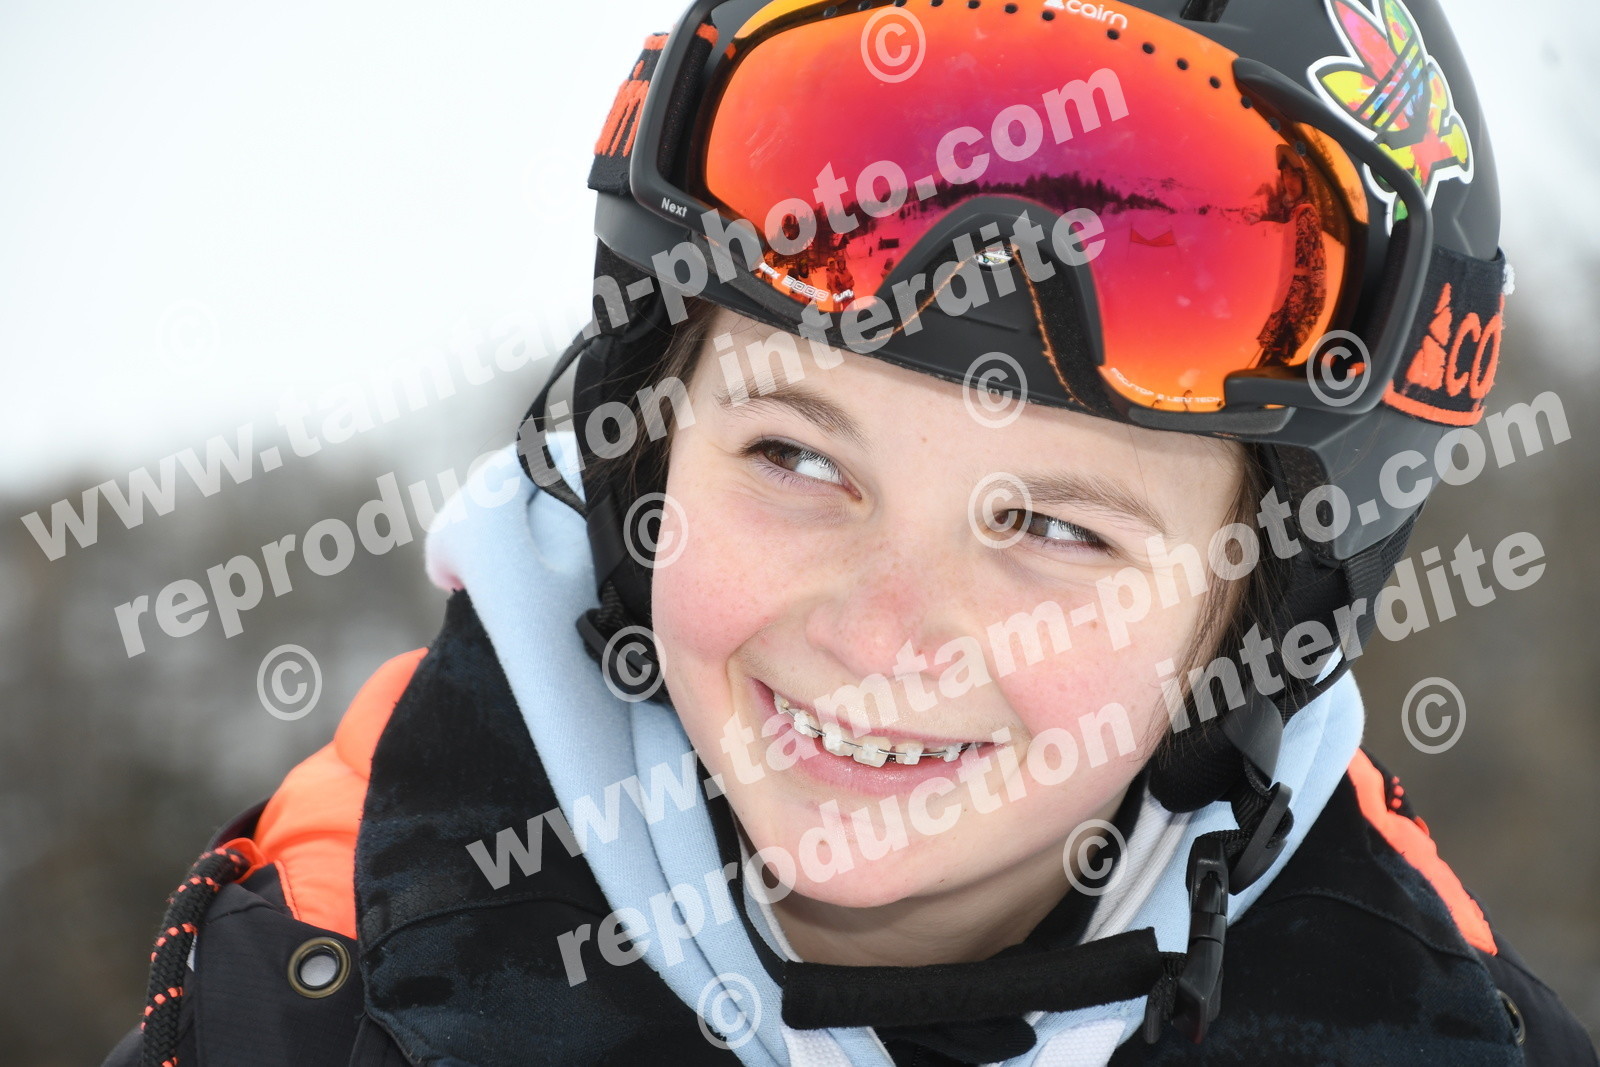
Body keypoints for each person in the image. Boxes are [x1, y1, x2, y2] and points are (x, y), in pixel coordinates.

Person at [102, 1, 1596, 1064]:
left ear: (1258, 617)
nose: (885, 637)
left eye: (1055, 529)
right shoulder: (285, 1010)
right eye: (799, 458)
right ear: (645, 458)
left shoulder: (1446, 1032)